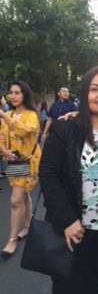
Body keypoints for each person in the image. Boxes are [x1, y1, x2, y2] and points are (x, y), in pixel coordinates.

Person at [39, 66, 98, 294]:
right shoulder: (67, 128)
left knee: (92, 285)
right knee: (67, 287)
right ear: (84, 95)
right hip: (72, 230)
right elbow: (47, 174)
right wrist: (66, 220)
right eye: (94, 89)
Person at [0, 81, 41, 257]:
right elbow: (1, 137)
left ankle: (12, 240)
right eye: (11, 93)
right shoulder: (8, 113)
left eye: (17, 92)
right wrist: (4, 151)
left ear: (25, 94)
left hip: (29, 161)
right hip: (14, 162)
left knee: (15, 200)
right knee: (24, 194)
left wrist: (3, 115)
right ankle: (28, 225)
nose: (13, 96)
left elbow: (24, 131)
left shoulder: (32, 115)